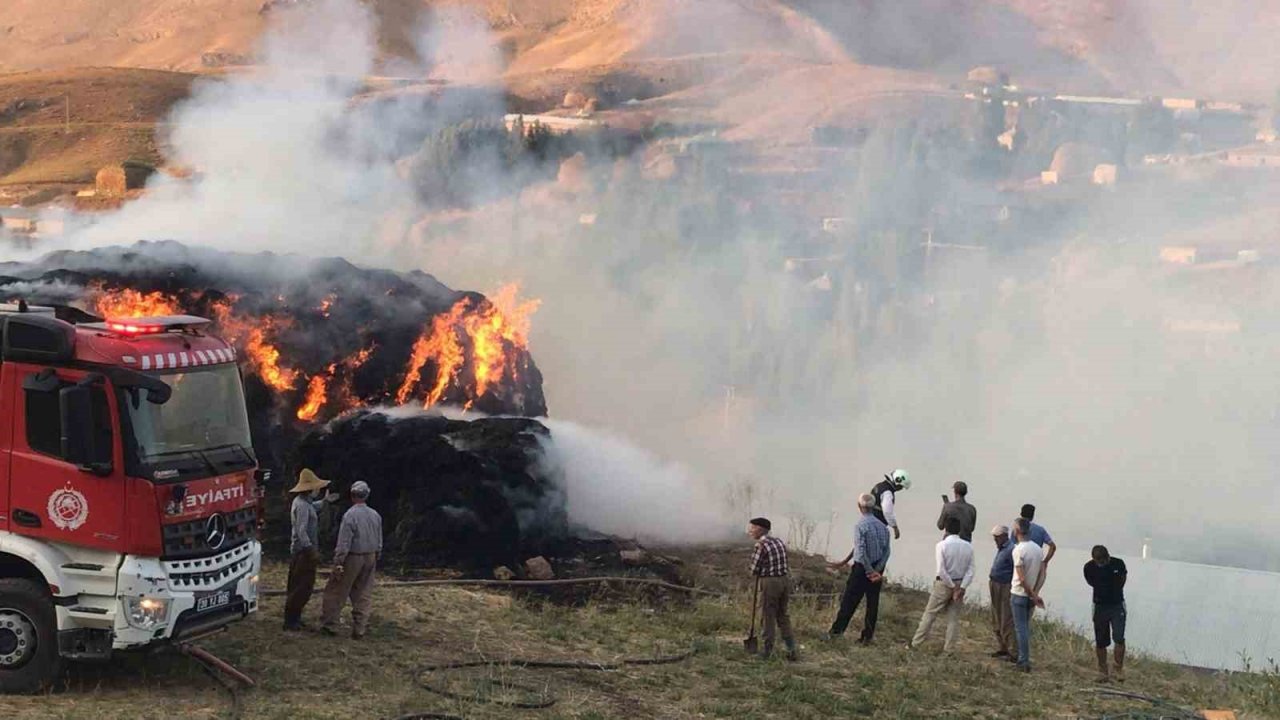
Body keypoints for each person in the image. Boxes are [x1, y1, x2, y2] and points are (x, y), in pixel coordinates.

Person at [320, 481, 383, 639]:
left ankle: (330, 625)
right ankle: (360, 628)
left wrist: (338, 561)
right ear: (367, 495)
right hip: (371, 556)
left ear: (352, 495)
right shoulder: (375, 515)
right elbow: (380, 539)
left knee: (336, 590)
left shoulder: (350, 515)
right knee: (363, 592)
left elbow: (344, 542)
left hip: (353, 556)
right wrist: (377, 555)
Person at [826, 493, 891, 644]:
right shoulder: (883, 527)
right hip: (877, 570)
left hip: (862, 569)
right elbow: (887, 551)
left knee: (849, 601)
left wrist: (868, 570)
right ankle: (867, 637)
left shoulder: (860, 526)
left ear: (859, 507)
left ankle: (836, 633)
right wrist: (877, 570)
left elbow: (860, 552)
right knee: (872, 603)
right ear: (873, 507)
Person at [908, 516, 974, 653]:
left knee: (930, 614)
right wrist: (961, 587)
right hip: (960, 583)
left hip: (944, 584)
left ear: (946, 529)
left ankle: (916, 643)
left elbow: (941, 570)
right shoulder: (968, 546)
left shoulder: (941, 545)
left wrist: (952, 586)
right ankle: (949, 649)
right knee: (953, 618)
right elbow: (971, 570)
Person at [283, 468, 339, 631]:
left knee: (303, 586)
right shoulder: (301, 506)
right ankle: (291, 620)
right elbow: (301, 531)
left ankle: (295, 618)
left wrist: (325, 501)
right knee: (301, 586)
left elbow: (313, 507)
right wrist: (310, 550)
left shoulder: (304, 503)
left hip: (303, 551)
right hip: (303, 553)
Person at [746, 517, 798, 661]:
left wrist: (752, 571)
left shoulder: (760, 545)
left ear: (760, 529)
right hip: (784, 581)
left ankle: (767, 651)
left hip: (769, 583)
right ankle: (791, 648)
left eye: (752, 528)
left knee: (767, 616)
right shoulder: (778, 542)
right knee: (782, 615)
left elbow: (754, 569)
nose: (749, 531)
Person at [1084, 545, 1128, 683]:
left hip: (1117, 605)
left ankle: (1118, 669)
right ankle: (1102, 671)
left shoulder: (1118, 564)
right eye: (1100, 562)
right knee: (1101, 640)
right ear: (1094, 560)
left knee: (1119, 637)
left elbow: (1122, 580)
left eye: (1105, 560)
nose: (1103, 563)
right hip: (1100, 606)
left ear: (1108, 556)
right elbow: (1091, 582)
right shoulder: (1089, 568)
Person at [1010, 517, 1046, 673]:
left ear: (1017, 531)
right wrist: (1036, 592)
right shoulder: (1038, 549)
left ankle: (1023, 661)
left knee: (1021, 628)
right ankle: (1022, 657)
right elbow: (1042, 573)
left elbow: (1021, 577)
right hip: (1031, 594)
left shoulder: (1018, 550)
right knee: (1024, 626)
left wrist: (1032, 594)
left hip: (1019, 594)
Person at [987, 525, 1016, 661]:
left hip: (1005, 586)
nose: (995, 539)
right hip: (995, 583)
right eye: (994, 537)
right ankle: (1002, 647)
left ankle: (1012, 651)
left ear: (1005, 535)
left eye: (997, 537)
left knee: (1006, 617)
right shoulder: (1002, 549)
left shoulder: (1011, 549)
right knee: (996, 616)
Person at [870, 469, 911, 540]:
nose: (900, 489)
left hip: (869, 520)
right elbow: (887, 512)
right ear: (897, 482)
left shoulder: (879, 486)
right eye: (901, 486)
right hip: (877, 524)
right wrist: (895, 527)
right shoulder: (887, 493)